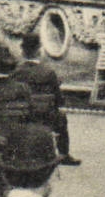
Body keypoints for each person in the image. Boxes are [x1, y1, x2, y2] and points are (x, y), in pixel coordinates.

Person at [12, 31, 77, 165]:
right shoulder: (48, 72)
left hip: (22, 115)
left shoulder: (16, 72)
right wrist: (60, 107)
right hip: (46, 116)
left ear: (23, 52)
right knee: (62, 118)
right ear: (39, 51)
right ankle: (64, 154)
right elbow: (58, 96)